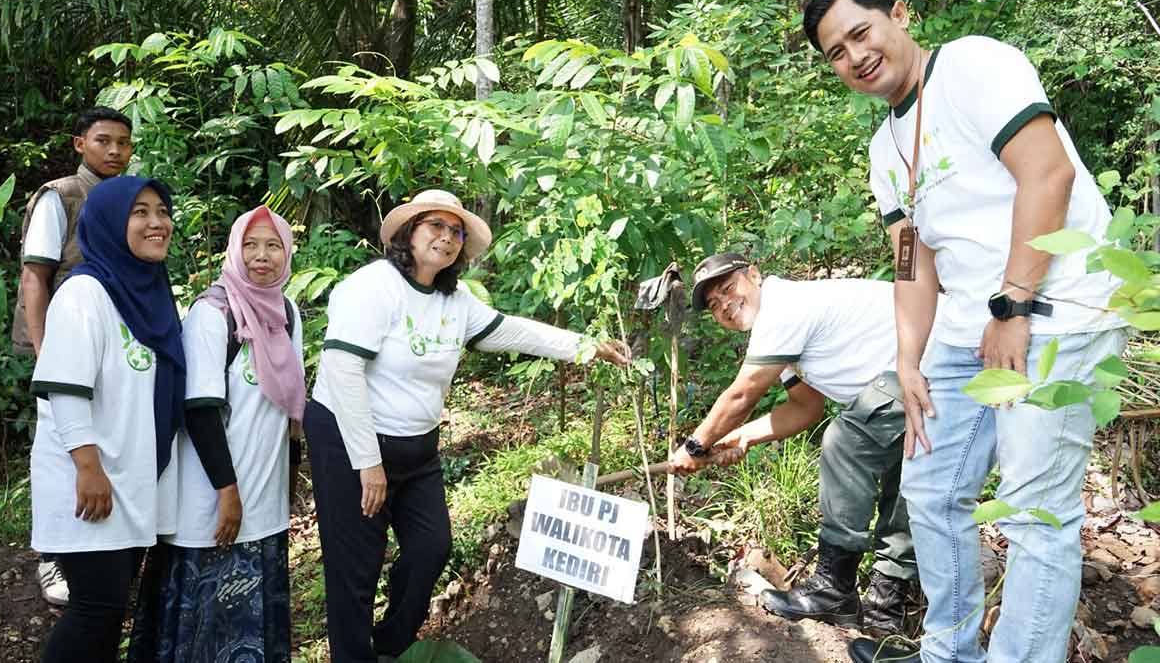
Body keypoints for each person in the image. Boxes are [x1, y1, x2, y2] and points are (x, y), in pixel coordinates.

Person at [804, 0, 1128, 663]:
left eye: (861, 33)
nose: (855, 56)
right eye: (837, 51)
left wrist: (1014, 304)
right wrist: (907, 360)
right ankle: (948, 652)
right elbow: (910, 262)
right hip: (969, 321)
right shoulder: (883, 150)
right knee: (931, 484)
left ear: (899, 14)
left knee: (1035, 509)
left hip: (1059, 302)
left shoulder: (974, 64)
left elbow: (1049, 174)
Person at [304, 189, 631, 662]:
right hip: (350, 441)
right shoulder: (372, 286)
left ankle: (390, 647)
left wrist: (586, 345)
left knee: (431, 547)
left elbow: (517, 330)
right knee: (356, 566)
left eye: (456, 231)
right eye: (435, 225)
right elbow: (342, 368)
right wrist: (367, 461)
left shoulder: (454, 301)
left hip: (416, 448)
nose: (447, 237)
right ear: (408, 232)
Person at [668, 252, 937, 638]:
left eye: (728, 289)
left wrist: (695, 446)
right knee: (905, 479)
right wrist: (740, 437)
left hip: (933, 358)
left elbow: (742, 394)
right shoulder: (782, 335)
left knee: (846, 442)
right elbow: (805, 408)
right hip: (917, 373)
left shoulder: (783, 308)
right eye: (714, 305)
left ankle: (834, 588)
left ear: (755, 275)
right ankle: (884, 611)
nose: (725, 305)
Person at [128, 206, 304, 662]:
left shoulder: (286, 312)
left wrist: (292, 476)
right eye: (250, 244)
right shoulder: (213, 314)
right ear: (233, 249)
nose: (261, 256)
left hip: (264, 501)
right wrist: (228, 492)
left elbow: (289, 409)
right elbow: (200, 411)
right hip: (214, 502)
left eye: (272, 245)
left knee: (252, 624)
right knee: (204, 626)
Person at [29, 176, 185, 663]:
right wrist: (88, 467)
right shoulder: (85, 293)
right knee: (95, 608)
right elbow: (65, 388)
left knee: (110, 609)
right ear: (109, 222)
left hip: (131, 479)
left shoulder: (152, 291)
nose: (157, 222)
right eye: (140, 212)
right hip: (91, 478)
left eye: (162, 211)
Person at [12, 105, 134, 606]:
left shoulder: (130, 198)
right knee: (61, 451)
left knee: (102, 443)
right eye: (104, 140)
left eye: (123, 142)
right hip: (65, 346)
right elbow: (36, 275)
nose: (114, 151)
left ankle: (100, 548)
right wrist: (46, 356)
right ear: (79, 143)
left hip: (112, 348)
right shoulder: (61, 195)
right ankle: (51, 558)